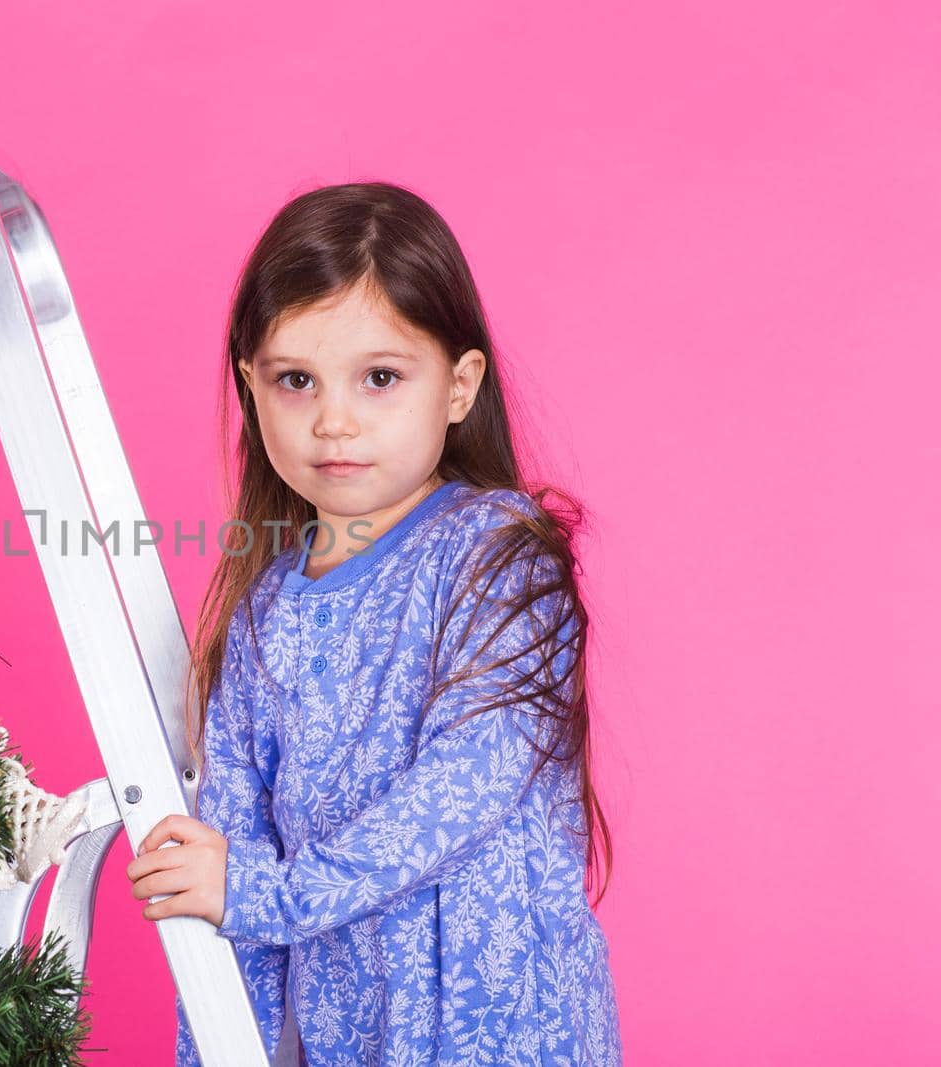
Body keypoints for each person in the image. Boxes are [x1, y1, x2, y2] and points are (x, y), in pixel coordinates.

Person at [124, 182, 623, 1065]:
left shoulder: (498, 559)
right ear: (252, 383)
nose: (334, 420)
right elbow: (229, 867)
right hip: (354, 1040)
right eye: (295, 379)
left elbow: (458, 796)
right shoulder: (262, 617)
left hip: (508, 1030)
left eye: (381, 377)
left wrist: (258, 893)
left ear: (459, 386)